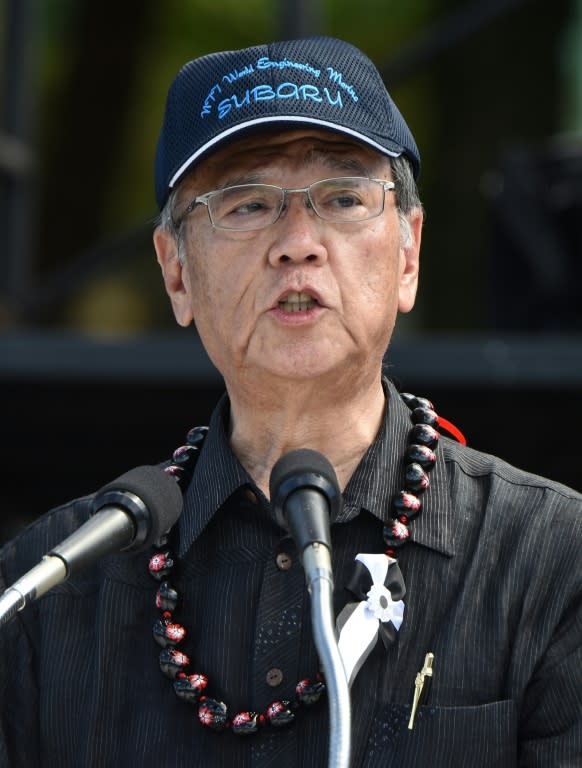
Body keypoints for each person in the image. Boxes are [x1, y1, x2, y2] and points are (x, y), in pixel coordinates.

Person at [0, 35, 580, 768]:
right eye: (246, 205)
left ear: (409, 255)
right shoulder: (46, 586)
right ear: (176, 274)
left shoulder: (555, 562)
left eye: (342, 198)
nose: (298, 243)